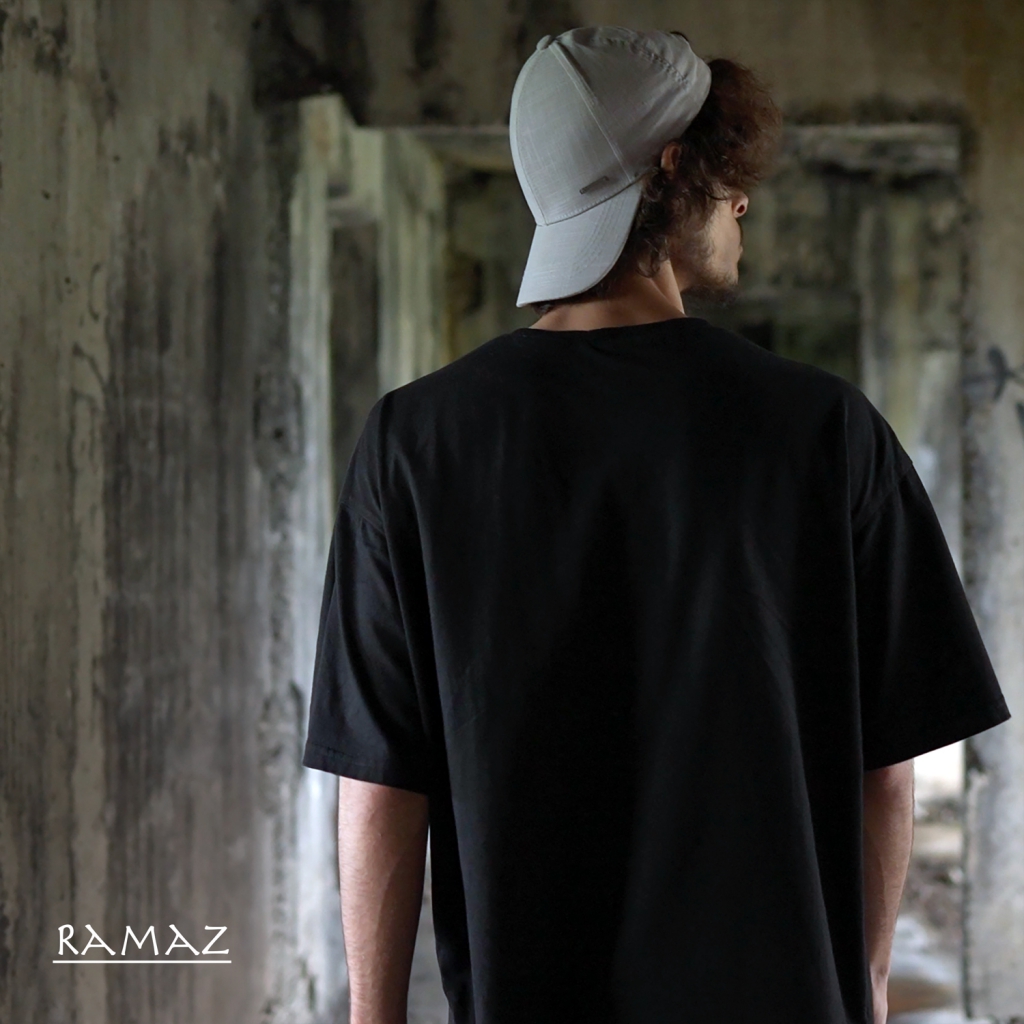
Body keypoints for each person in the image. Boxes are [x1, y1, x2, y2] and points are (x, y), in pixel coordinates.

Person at [302, 26, 1011, 1024]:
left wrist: (372, 1017)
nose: (742, 200)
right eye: (726, 171)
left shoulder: (413, 443)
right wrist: (869, 980)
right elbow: (885, 766)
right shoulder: (824, 428)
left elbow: (379, 782)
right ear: (673, 171)